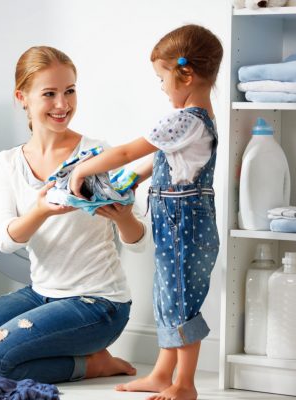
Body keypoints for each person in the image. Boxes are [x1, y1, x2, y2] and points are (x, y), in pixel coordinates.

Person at [0, 45, 148, 384]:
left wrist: (122, 217)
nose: (62, 105)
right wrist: (40, 211)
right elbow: (5, 240)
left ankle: (94, 364)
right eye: (49, 94)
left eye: (69, 91)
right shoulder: (9, 163)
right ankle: (68, 354)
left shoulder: (96, 155)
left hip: (99, 304)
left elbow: (138, 243)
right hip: (42, 292)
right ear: (22, 97)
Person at [69, 24, 223, 400]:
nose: (162, 88)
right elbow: (160, 161)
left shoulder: (184, 119)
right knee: (167, 296)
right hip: (180, 220)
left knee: (181, 300)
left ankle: (185, 384)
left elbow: (126, 152)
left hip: (184, 224)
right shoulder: (198, 119)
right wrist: (135, 178)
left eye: (161, 79)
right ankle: (162, 374)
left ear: (184, 73)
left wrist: (82, 169)